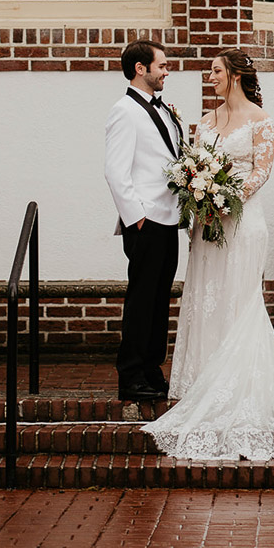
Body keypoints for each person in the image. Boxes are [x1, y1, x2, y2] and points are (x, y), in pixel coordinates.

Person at [142, 48, 274, 460]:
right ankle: (200, 386)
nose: (211, 78)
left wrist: (229, 198)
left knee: (238, 302)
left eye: (216, 72)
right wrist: (200, 196)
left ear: (236, 75)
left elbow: (262, 170)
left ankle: (239, 390)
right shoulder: (206, 122)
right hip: (206, 228)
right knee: (206, 300)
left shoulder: (261, 120)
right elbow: (193, 166)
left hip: (242, 223)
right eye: (210, 72)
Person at [104, 39, 183, 403]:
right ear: (141, 69)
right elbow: (115, 172)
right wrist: (137, 218)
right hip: (146, 220)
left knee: (159, 301)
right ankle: (131, 375)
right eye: (162, 66)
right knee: (141, 300)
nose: (166, 71)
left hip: (169, 219)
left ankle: (152, 370)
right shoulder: (124, 110)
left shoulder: (164, 108)